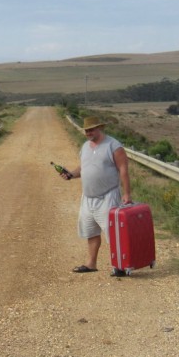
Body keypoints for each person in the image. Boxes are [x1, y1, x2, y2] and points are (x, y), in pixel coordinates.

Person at [59, 116, 132, 276]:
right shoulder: (85, 146)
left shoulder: (113, 146)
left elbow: (123, 169)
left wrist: (126, 193)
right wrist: (71, 174)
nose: (88, 133)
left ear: (100, 128)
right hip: (88, 198)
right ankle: (91, 264)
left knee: (113, 234)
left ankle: (120, 266)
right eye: (86, 130)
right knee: (91, 232)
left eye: (91, 129)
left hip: (108, 196)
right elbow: (84, 168)